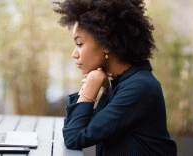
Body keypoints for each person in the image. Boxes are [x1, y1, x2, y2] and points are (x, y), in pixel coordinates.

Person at [53, 0, 177, 155]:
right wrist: (102, 88)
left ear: (106, 42)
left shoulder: (139, 87)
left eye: (79, 44)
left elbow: (74, 138)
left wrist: (90, 89)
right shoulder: (122, 84)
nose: (74, 54)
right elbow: (74, 128)